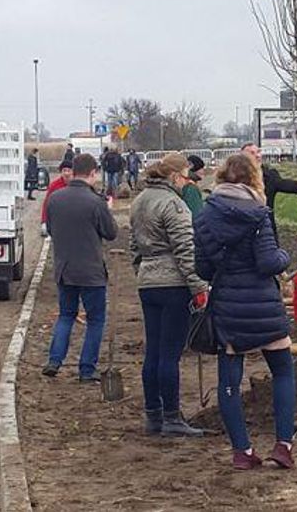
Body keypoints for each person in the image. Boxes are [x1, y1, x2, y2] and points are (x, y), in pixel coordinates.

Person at [194, 154, 295, 470]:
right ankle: (283, 446)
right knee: (283, 372)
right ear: (254, 178)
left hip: (228, 306)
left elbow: (203, 268)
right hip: (264, 306)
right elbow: (268, 262)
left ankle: (243, 451)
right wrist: (284, 256)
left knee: (229, 379)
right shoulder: (259, 214)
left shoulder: (204, 217)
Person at [129, 153, 210, 437]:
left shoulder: (139, 201)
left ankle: (153, 415)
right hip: (173, 285)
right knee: (170, 353)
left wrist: (142, 270)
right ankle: (173, 417)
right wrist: (199, 287)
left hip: (147, 283)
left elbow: (133, 246)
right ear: (174, 176)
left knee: (153, 350)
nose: (187, 181)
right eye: (186, 176)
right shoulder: (173, 205)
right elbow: (186, 251)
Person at [41, 154, 118, 382]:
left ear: (73, 171)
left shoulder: (55, 199)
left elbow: (52, 230)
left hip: (64, 269)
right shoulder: (96, 202)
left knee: (66, 315)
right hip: (91, 271)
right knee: (95, 320)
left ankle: (54, 360)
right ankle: (86, 369)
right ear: (92, 173)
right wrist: (108, 210)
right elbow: (111, 233)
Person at [240, 142, 297, 244]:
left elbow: (282, 183)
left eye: (258, 152)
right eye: (252, 153)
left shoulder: (270, 176)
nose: (257, 156)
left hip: (266, 230)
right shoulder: (235, 179)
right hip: (242, 231)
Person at [41, 160, 74, 237]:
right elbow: (47, 203)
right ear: (61, 172)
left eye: (69, 170)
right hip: (58, 221)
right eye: (64, 170)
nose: (66, 173)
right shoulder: (54, 185)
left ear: (73, 172)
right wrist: (44, 221)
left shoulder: (77, 185)